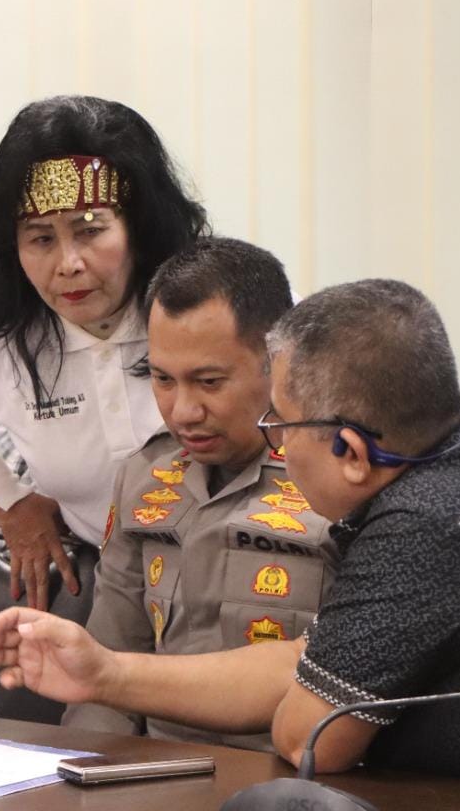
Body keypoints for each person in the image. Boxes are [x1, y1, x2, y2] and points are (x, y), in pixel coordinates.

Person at [0, 280, 460, 803]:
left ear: (350, 450)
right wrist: (105, 673)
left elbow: (309, 736)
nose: (276, 448)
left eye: (280, 426)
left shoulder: (424, 530)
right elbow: (308, 666)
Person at [0, 96, 208, 609]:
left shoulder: (206, 302)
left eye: (91, 231)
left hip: (227, 575)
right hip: (106, 584)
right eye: (41, 238)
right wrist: (9, 502)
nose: (69, 263)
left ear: (139, 228)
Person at [62, 238, 339, 749]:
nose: (183, 411)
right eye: (162, 379)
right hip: (158, 769)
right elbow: (102, 675)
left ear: (278, 363)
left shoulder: (337, 480)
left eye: (209, 381)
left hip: (288, 770)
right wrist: (80, 772)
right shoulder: (144, 478)